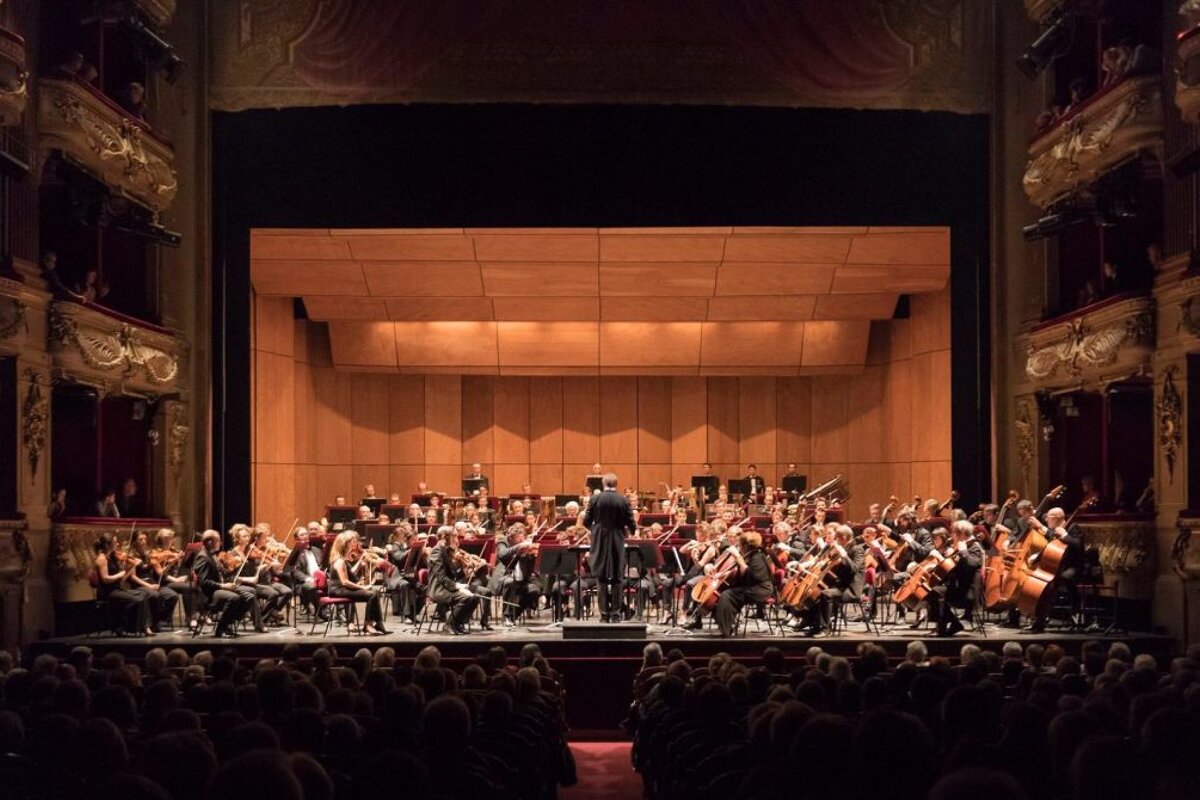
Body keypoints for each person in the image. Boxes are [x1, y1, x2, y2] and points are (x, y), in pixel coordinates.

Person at [583, 473, 636, 622]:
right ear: (616, 484)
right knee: (618, 578)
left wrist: (596, 529)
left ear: (603, 483)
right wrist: (630, 531)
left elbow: (586, 521)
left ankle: (604, 614)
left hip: (599, 539)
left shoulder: (595, 499)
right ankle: (616, 614)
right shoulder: (623, 499)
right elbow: (631, 521)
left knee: (601, 578)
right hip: (617, 539)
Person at [928, 521, 985, 637]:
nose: (951, 536)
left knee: (936, 593)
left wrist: (963, 551)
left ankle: (945, 626)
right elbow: (951, 569)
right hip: (956, 587)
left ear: (962, 534)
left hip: (967, 592)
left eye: (953, 533)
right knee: (931, 591)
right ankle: (951, 624)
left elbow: (970, 566)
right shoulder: (957, 547)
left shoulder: (975, 548)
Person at [713, 531, 774, 637]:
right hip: (752, 588)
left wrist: (738, 558)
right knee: (724, 592)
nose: (739, 548)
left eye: (740, 545)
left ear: (746, 546)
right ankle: (728, 625)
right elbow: (741, 573)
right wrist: (722, 574)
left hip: (760, 590)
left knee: (727, 595)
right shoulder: (750, 555)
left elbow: (754, 576)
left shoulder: (758, 557)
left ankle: (726, 631)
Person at [326, 532, 389, 635]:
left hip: (341, 589)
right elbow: (345, 582)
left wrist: (360, 562)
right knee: (371, 594)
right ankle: (368, 625)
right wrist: (363, 587)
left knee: (374, 593)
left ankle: (378, 623)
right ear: (345, 544)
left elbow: (350, 574)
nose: (356, 543)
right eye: (353, 541)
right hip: (337, 590)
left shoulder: (344, 559)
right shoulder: (340, 561)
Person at [192, 529, 251, 638]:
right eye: (218, 540)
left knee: (249, 596)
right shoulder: (203, 557)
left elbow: (221, 574)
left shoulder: (212, 555)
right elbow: (204, 582)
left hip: (219, 589)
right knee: (235, 598)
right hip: (209, 594)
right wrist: (223, 586)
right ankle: (221, 629)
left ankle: (228, 622)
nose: (221, 543)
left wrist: (232, 576)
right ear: (210, 542)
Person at [92, 532, 151, 636]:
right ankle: (129, 628)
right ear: (107, 545)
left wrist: (132, 567)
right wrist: (120, 573)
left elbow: (121, 580)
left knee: (144, 594)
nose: (118, 544)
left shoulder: (112, 558)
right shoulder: (102, 558)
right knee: (138, 599)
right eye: (115, 542)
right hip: (107, 592)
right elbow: (105, 579)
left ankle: (141, 627)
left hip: (116, 590)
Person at [427, 525, 479, 634]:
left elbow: (453, 573)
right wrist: (457, 586)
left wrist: (458, 562)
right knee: (465, 598)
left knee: (474, 597)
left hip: (447, 587)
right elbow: (441, 577)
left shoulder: (447, 550)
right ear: (445, 537)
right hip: (438, 589)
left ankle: (458, 623)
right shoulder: (437, 551)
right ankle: (449, 624)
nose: (457, 539)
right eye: (454, 536)